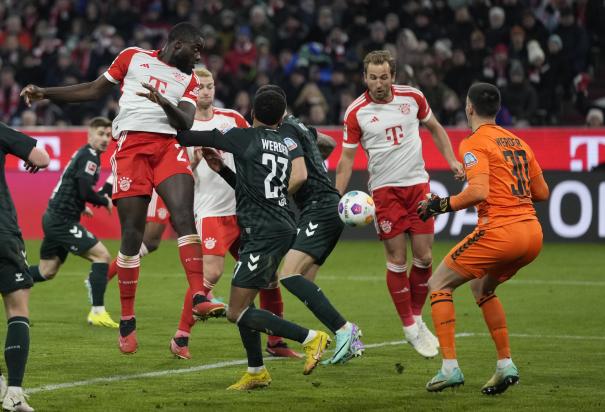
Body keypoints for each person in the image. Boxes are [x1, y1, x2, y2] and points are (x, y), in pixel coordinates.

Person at [20, 22, 223, 354]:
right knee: (132, 234)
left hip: (166, 148)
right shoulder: (133, 57)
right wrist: (46, 92)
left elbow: (184, 122)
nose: (198, 57)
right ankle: (127, 318)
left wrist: (162, 101)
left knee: (184, 216)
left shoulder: (187, 80)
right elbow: (93, 89)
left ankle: (199, 295)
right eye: (195, 48)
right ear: (177, 44)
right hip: (130, 149)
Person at [177, 89, 331, 390]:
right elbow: (251, 188)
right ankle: (256, 370)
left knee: (236, 311)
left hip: (264, 232)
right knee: (244, 298)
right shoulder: (284, 144)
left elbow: (189, 138)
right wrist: (222, 170)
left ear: (252, 114)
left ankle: (311, 338)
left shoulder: (244, 137)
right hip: (281, 223)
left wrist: (165, 123)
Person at [417, 82, 549, 394]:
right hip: (532, 235)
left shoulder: (474, 142)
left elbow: (478, 192)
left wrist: (441, 205)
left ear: (469, 108)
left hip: (501, 231)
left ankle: (450, 367)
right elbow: (542, 193)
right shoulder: (518, 142)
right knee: (482, 286)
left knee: (438, 284)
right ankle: (505, 364)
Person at [335, 50, 464, 358]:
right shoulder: (356, 112)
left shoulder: (413, 98)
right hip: (384, 191)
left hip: (418, 186)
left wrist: (452, 160)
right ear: (365, 77)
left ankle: (417, 318)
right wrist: (334, 196)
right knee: (397, 258)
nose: (378, 83)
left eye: (384, 77)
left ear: (393, 76)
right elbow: (346, 160)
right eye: (372, 77)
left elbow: (435, 128)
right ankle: (408, 326)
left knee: (425, 257)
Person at [170, 68, 299, 360]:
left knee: (268, 278)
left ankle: (276, 342)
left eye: (209, 85)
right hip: (210, 208)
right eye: (199, 87)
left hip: (244, 210)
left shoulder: (232, 119)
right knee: (212, 272)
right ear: (190, 91)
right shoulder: (183, 123)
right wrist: (191, 163)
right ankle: (181, 336)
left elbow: (256, 140)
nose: (205, 91)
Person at [253, 84, 364, 365]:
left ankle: (344, 330)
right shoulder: (300, 127)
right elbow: (329, 142)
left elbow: (300, 177)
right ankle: (346, 339)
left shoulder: (284, 131)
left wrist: (275, 196)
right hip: (327, 208)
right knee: (304, 282)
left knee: (288, 275)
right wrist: (316, 161)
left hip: (318, 209)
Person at [27, 117, 119, 328]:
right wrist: (102, 200)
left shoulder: (85, 153)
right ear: (90, 135)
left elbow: (70, 184)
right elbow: (84, 190)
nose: (105, 139)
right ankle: (97, 312)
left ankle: (7, 279)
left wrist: (80, 206)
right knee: (102, 257)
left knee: (46, 271)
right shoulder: (90, 157)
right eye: (100, 134)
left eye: (108, 135)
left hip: (55, 216)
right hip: (61, 220)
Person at [0, 122, 50, 412]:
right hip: (2, 232)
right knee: (17, 308)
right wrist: (29, 159)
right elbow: (41, 158)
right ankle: (15, 393)